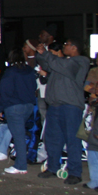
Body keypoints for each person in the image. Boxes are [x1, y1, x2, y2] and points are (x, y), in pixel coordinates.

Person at [36, 38, 89, 185]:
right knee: (52, 139)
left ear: (74, 47)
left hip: (70, 106)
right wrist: (41, 54)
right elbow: (48, 64)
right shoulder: (62, 62)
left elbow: (60, 65)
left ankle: (75, 172)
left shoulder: (80, 61)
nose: (64, 46)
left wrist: (46, 54)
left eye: (66, 45)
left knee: (72, 140)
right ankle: (53, 167)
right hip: (55, 105)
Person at [0, 48, 38, 174]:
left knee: (18, 136)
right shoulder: (30, 71)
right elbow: (34, 87)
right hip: (28, 105)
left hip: (14, 106)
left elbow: (5, 91)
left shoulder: (10, 72)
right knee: (19, 134)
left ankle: (21, 165)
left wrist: (0, 108)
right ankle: (21, 163)